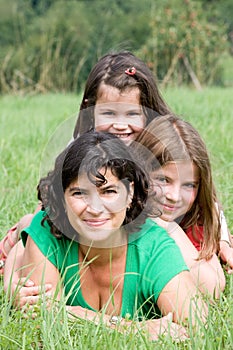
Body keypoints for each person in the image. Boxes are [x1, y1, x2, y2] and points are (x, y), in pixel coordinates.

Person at [2, 50, 232, 288]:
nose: (120, 125)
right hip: (101, 230)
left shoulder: (157, 144)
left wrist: (222, 241)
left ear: (147, 111)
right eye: (109, 113)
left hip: (152, 227)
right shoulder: (85, 149)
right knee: (31, 221)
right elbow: (55, 206)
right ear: (90, 111)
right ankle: (12, 250)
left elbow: (207, 199)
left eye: (132, 114)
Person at [7, 130, 207, 340]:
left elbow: (198, 326)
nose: (95, 208)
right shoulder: (46, 231)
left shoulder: (153, 247)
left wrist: (69, 313)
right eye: (79, 193)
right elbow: (43, 320)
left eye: (109, 192)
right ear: (62, 198)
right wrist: (131, 328)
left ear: (130, 193)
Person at [135, 114, 230, 296]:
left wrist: (169, 227)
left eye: (189, 185)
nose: (175, 196)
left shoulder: (194, 217)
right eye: (164, 179)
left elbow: (212, 288)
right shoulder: (124, 221)